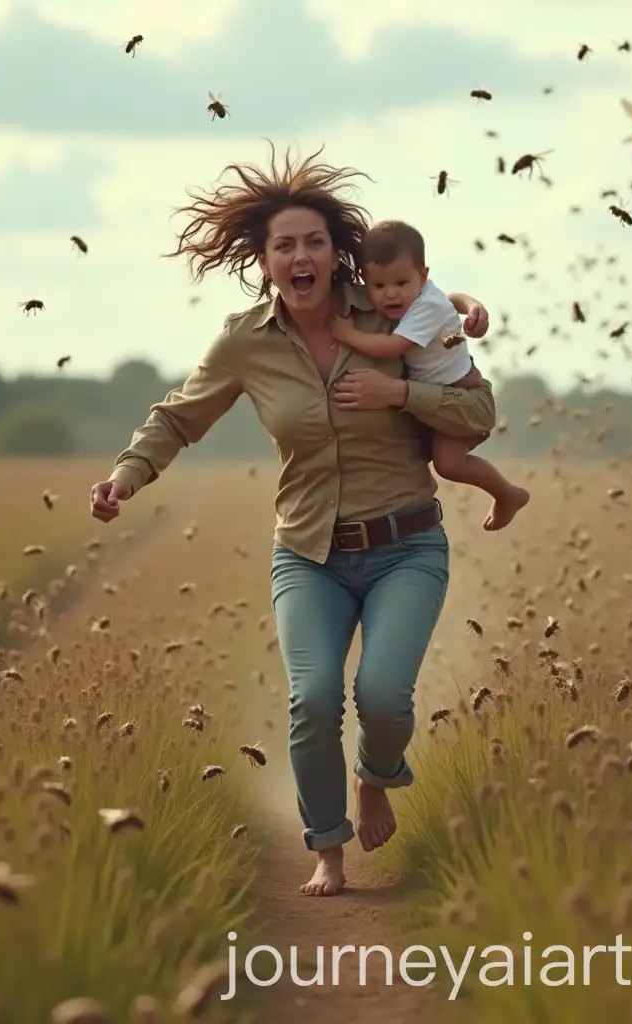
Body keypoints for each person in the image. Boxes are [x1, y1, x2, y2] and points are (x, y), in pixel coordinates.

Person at [89, 144, 497, 898]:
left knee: (382, 697)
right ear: (266, 260)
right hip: (308, 556)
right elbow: (177, 419)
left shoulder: (394, 311)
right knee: (312, 700)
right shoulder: (245, 340)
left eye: (315, 241)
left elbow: (479, 408)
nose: (302, 255)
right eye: (286, 246)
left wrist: (400, 395)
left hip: (406, 545)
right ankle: (328, 851)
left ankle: (376, 776)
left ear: (335, 251)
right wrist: (125, 476)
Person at [331, 219, 529, 530]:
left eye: (400, 283)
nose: (391, 295)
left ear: (422, 276)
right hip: (441, 384)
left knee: (448, 464)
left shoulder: (424, 307)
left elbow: (393, 345)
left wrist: (347, 334)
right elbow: (451, 300)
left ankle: (507, 494)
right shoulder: (423, 297)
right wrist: (471, 304)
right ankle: (508, 494)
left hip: (456, 390)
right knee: (436, 458)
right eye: (379, 286)